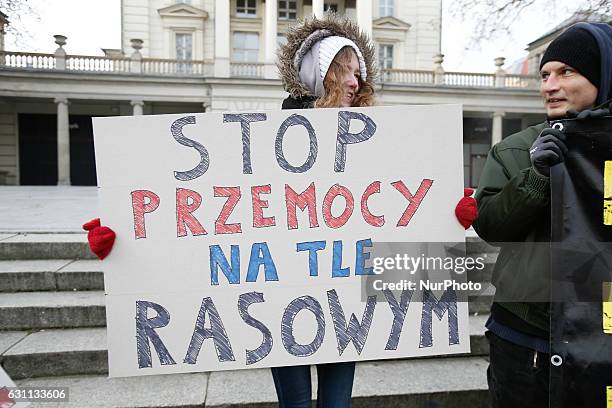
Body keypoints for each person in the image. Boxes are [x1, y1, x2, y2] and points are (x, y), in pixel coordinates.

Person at [84, 14, 477, 407]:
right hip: (280, 305)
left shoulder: (374, 141)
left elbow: (397, 208)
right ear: (321, 75)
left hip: (348, 301)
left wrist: (444, 213)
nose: (356, 82)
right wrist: (124, 231)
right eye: (345, 71)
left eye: (359, 73)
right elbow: (182, 202)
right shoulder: (264, 140)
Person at [473, 22, 612, 408]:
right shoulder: (515, 149)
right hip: (523, 336)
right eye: (545, 74)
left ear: (602, 76)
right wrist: (535, 178)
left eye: (566, 72)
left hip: (601, 336)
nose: (549, 85)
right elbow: (492, 227)